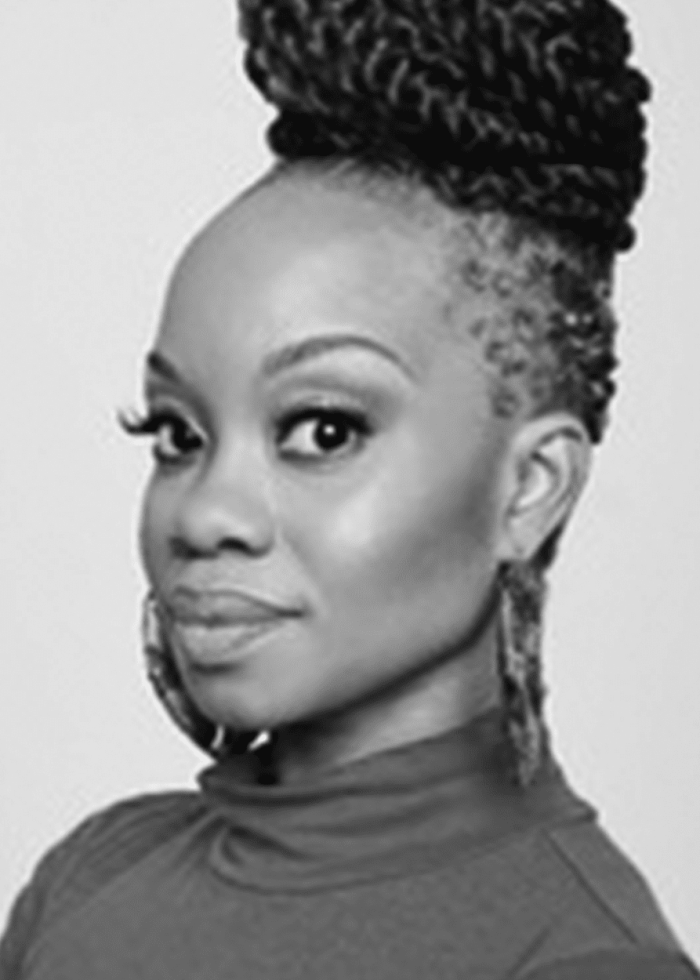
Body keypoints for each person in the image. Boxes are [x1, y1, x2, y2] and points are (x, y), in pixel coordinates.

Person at [1, 0, 697, 977]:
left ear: (529, 487)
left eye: (323, 428)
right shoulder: (92, 877)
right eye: (179, 432)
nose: (205, 515)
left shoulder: (576, 958)